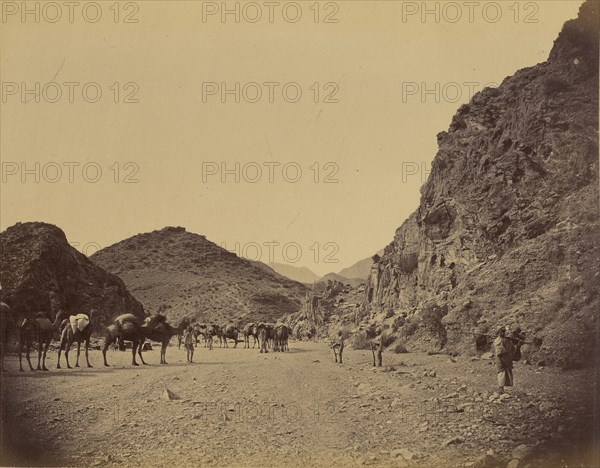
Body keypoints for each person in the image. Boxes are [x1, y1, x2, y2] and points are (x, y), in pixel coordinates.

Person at [493, 327, 515, 394]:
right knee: (501, 372)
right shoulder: (498, 340)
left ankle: (506, 387)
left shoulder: (508, 341)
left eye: (503, 332)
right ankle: (501, 388)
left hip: (507, 358)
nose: (502, 333)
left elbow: (512, 349)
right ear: (499, 333)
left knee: (507, 371)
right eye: (501, 332)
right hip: (500, 358)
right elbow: (499, 351)